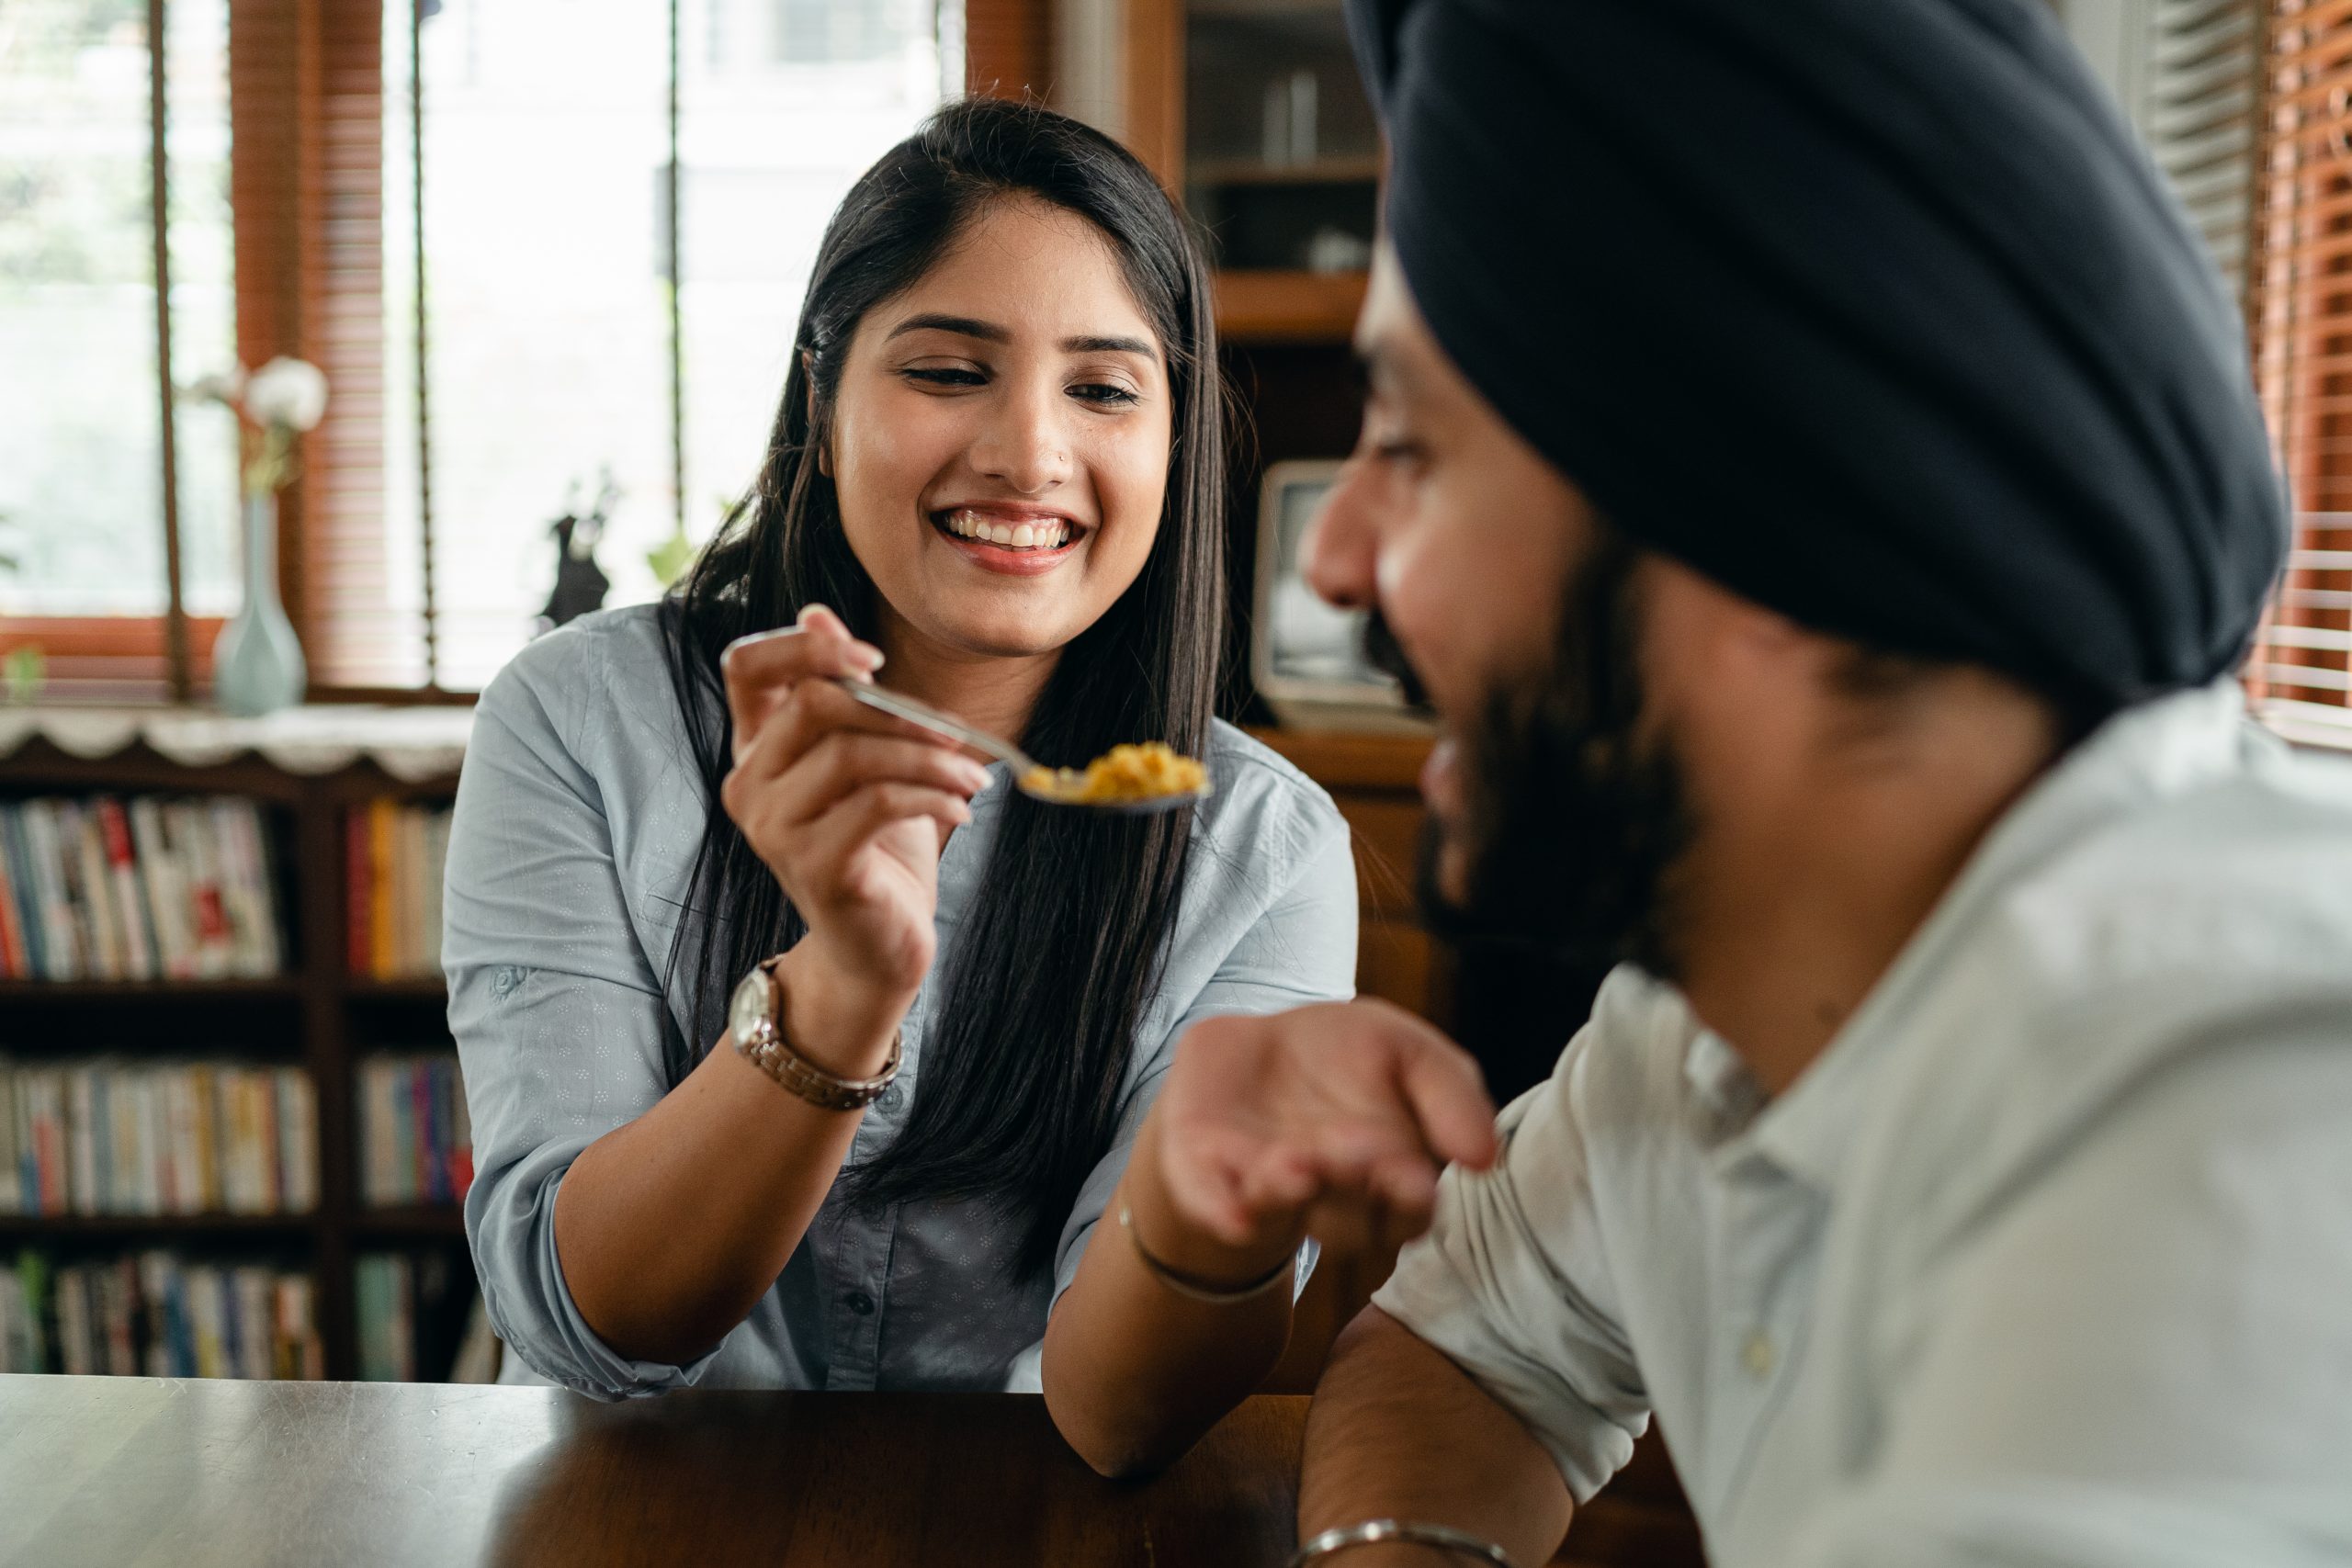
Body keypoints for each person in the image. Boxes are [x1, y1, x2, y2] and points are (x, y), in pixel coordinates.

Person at [1136, 0, 2352, 1562]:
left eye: (1414, 451)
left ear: (1766, 518)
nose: (1345, 557)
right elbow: (1465, 1355)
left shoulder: (2237, 1131)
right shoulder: (1706, 1014)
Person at [442, 97, 1358, 1475]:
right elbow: (589, 1321)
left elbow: (1119, 1417)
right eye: (948, 372)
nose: (1030, 455)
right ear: (825, 397)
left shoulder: (1266, 850)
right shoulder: (579, 723)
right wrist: (846, 988)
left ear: (1175, 439)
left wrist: (1225, 1212)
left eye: (1104, 389)